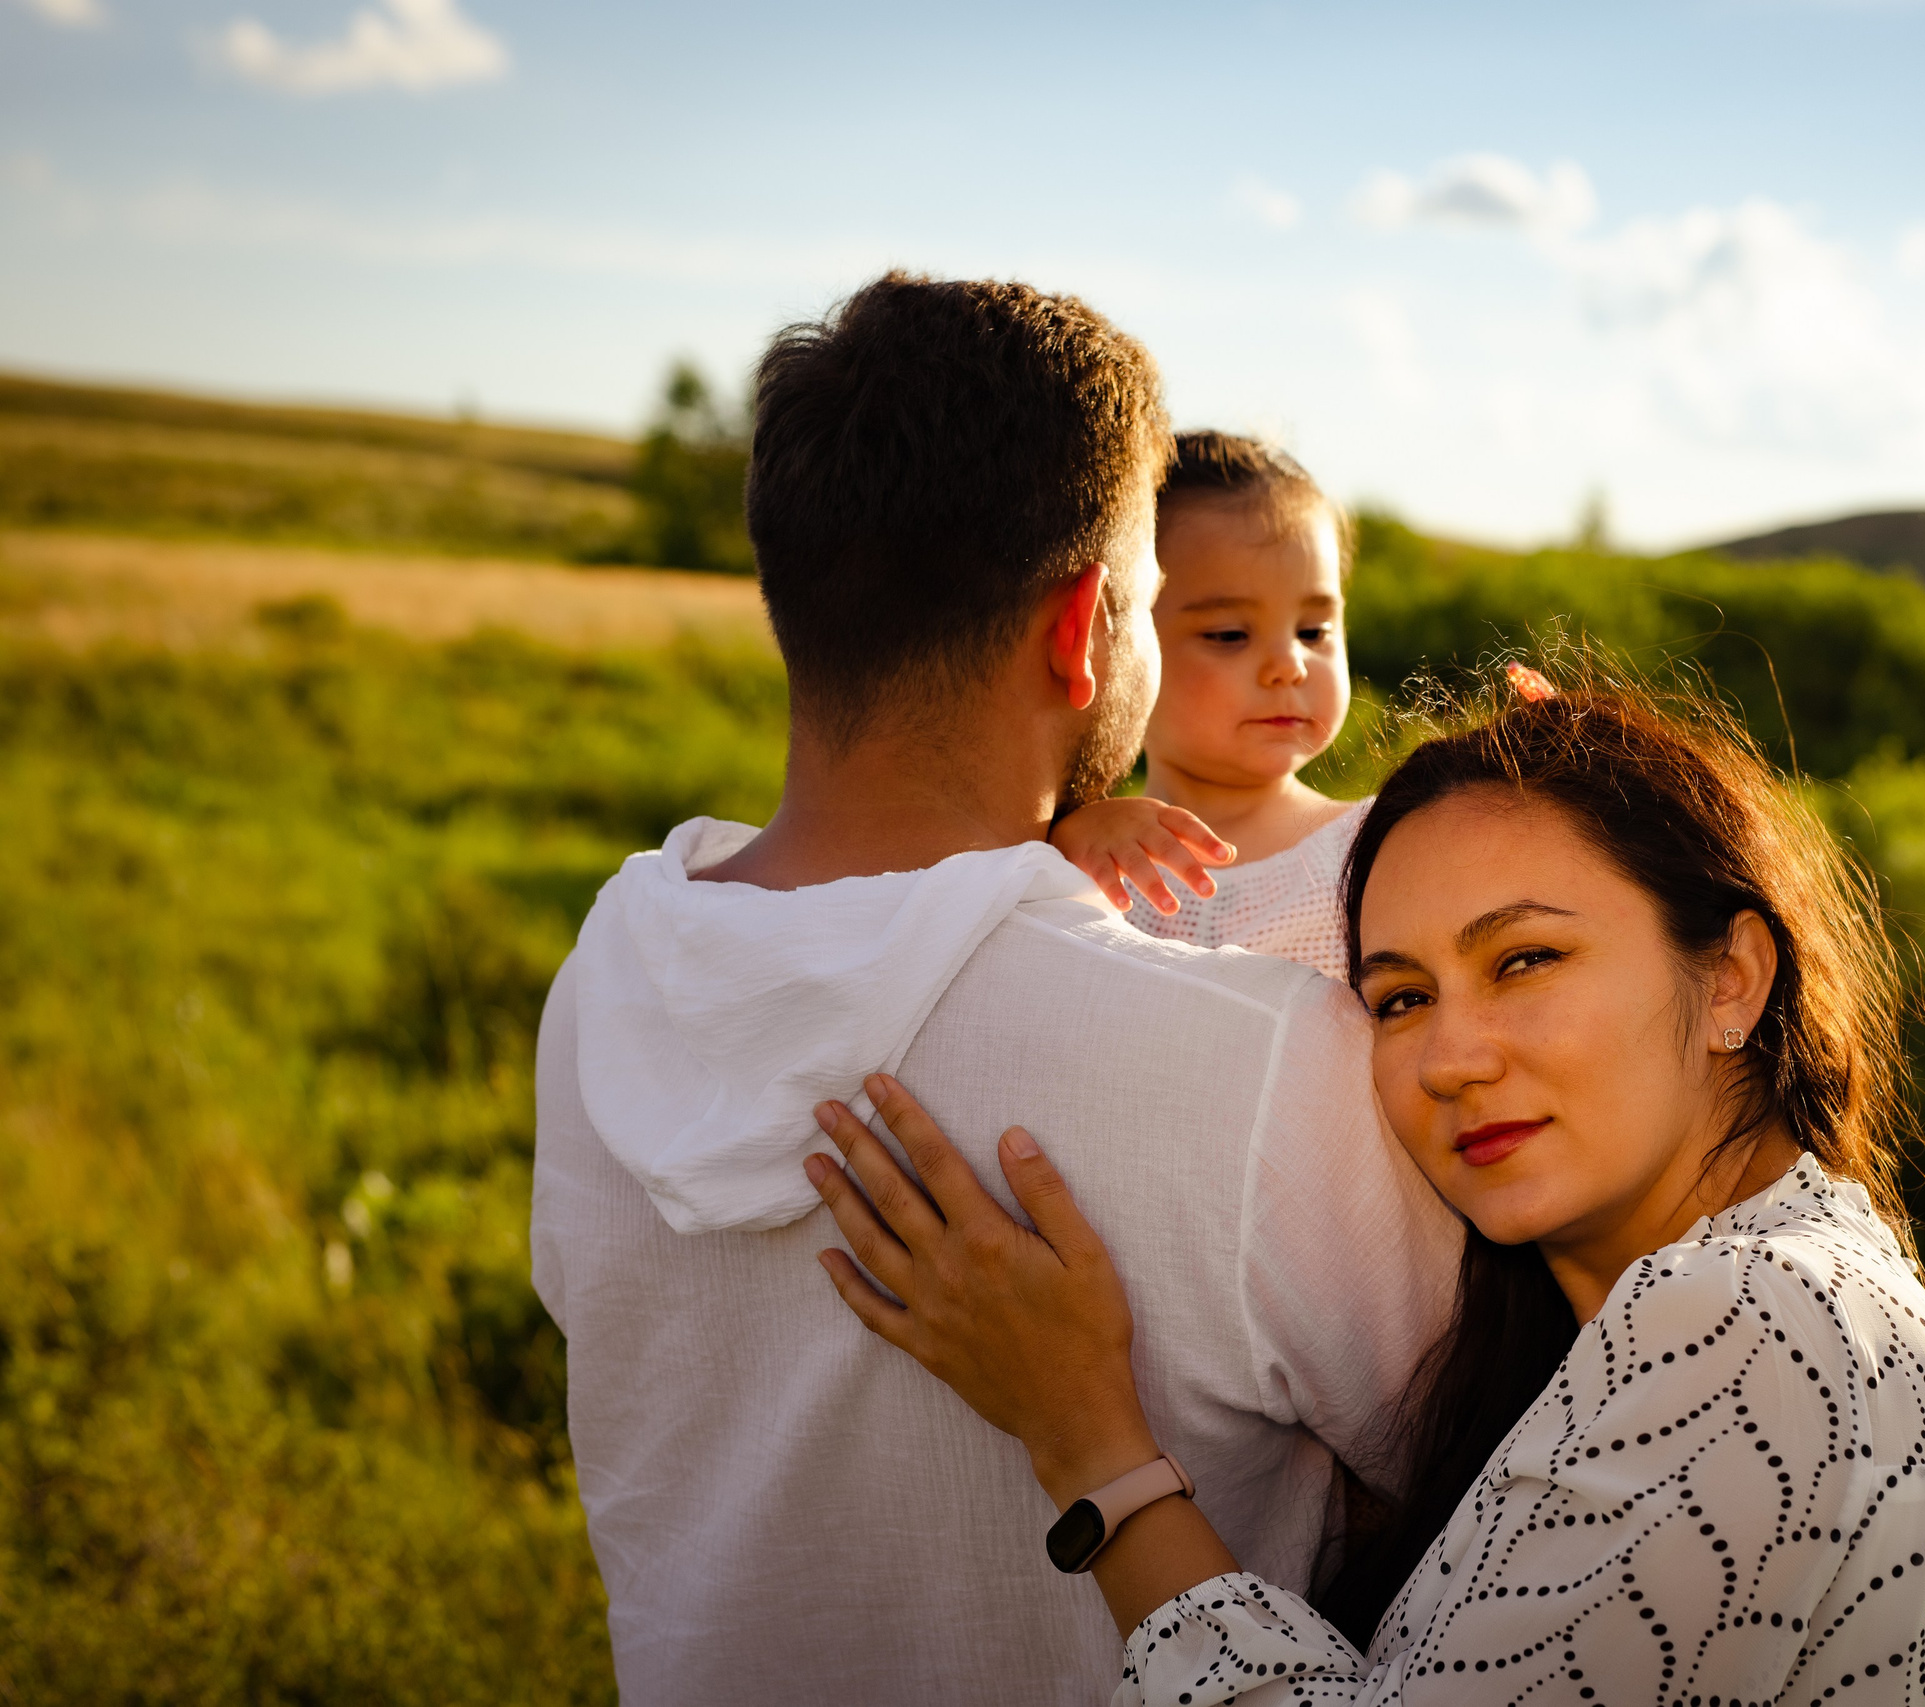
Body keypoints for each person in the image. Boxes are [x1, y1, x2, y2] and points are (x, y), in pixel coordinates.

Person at [529, 273, 1462, 1707]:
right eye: (1164, 608)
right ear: (1085, 628)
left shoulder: (604, 987)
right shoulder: (1257, 1058)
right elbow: (1519, 1468)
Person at [800, 683, 1925, 1705]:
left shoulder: (1755, 1315)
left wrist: (1089, 1445)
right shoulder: (1777, 1290)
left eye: (1526, 959)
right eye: (1398, 997)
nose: (1450, 1057)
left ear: (1730, 983)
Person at [1048, 431, 1370, 980]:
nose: (1289, 665)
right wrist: (1062, 840)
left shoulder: (1375, 844)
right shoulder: (1077, 848)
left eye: (1314, 630)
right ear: (1119, 644)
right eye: (1228, 635)